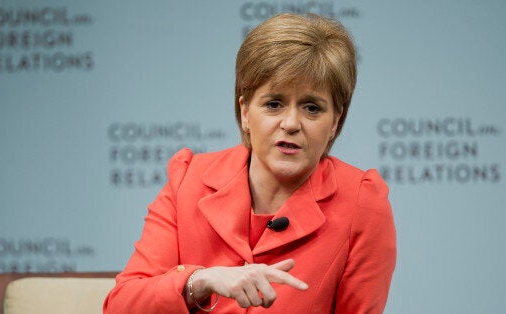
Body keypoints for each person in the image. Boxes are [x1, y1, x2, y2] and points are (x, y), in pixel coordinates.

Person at [104, 13, 396, 313]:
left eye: (312, 107)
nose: (291, 123)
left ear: (335, 121)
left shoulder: (362, 204)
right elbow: (121, 305)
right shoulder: (188, 181)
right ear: (245, 112)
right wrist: (200, 280)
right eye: (274, 104)